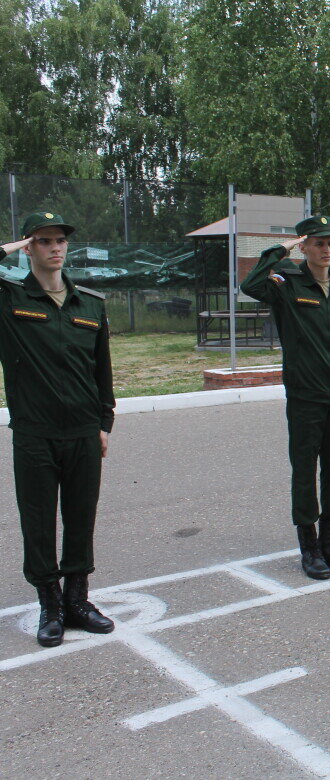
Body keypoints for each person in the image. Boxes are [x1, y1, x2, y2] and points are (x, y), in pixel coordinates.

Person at [0, 212, 116, 647]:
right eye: (43, 241)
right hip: (35, 432)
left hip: (84, 431)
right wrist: (9, 247)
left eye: (60, 240)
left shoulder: (90, 304)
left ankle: (78, 600)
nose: (55, 247)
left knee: (80, 518)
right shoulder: (10, 301)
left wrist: (103, 422)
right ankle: (50, 603)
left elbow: (101, 370)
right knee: (38, 521)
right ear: (29, 247)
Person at [241, 215, 330, 580]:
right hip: (306, 396)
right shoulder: (286, 284)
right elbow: (250, 283)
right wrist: (282, 249)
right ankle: (309, 548)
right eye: (319, 243)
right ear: (304, 246)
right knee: (306, 473)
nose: (327, 249)